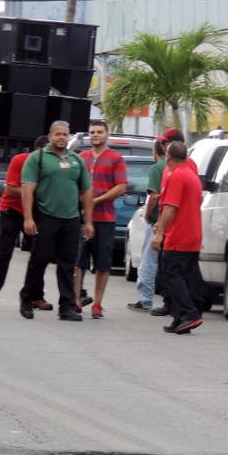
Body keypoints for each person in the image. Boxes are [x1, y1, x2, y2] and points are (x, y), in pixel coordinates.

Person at [19, 120, 94, 322]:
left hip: (71, 219)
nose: (62, 137)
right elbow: (28, 189)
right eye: (58, 134)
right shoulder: (38, 158)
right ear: (50, 136)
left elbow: (86, 192)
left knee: (68, 264)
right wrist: (28, 218)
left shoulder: (76, 160)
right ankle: (27, 298)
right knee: (39, 260)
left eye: (65, 134)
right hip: (46, 217)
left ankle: (67, 307)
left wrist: (88, 222)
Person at [0, 135, 50, 312]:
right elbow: (10, 189)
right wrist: (34, 192)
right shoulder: (21, 160)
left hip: (35, 213)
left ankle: (36, 295)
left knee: (39, 255)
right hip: (11, 210)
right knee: (5, 253)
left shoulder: (52, 166)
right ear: (38, 151)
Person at [74, 119, 128, 319]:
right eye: (92, 132)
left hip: (105, 218)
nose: (95, 135)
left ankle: (97, 304)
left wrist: (96, 200)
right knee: (78, 261)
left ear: (107, 134)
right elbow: (73, 184)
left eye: (99, 131)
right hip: (80, 218)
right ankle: (76, 301)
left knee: (103, 263)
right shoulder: (81, 158)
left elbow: (121, 187)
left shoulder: (116, 158)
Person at [151, 141, 205, 334]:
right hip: (193, 234)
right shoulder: (191, 175)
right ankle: (180, 317)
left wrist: (159, 234)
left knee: (170, 274)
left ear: (168, 157)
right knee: (186, 278)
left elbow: (171, 207)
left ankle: (189, 314)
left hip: (179, 235)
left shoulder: (176, 176)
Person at [127, 139, 165, 313]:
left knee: (148, 260)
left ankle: (146, 300)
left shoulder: (157, 168)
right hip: (174, 222)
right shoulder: (178, 166)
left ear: (155, 151)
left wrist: (148, 214)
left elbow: (154, 196)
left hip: (158, 221)